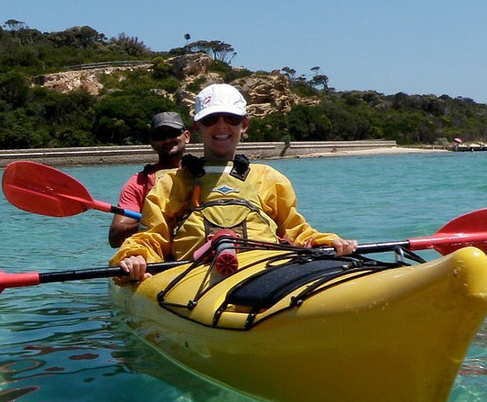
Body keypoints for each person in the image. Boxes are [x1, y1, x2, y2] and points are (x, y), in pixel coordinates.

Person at [112, 83, 357, 280]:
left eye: (231, 118)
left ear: (245, 125)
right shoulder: (169, 183)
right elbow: (152, 237)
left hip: (267, 270)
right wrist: (136, 256)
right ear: (197, 127)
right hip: (193, 276)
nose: (221, 125)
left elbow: (296, 230)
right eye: (210, 120)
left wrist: (328, 242)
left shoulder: (269, 178)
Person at [108, 111, 192, 247]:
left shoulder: (203, 173)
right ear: (152, 143)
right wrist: (151, 220)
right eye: (159, 136)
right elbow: (115, 237)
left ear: (186, 136)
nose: (167, 140)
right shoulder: (138, 184)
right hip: (156, 258)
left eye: (173, 133)